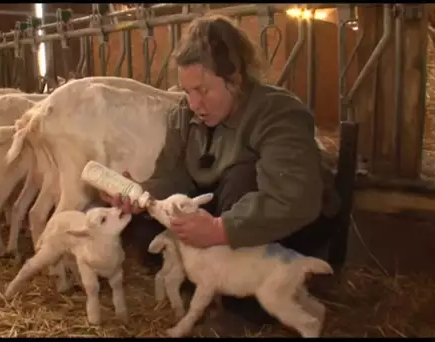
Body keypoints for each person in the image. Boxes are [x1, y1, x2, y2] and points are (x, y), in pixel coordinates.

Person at [100, 14, 340, 333]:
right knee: (145, 229)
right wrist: (140, 193)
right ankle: (215, 284)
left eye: (203, 90)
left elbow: (293, 198)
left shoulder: (278, 112)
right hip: (225, 219)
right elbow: (172, 178)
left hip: (288, 227)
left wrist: (218, 229)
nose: (194, 103)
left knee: (240, 177)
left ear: (235, 79)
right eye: (187, 91)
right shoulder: (183, 116)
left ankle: (243, 310)